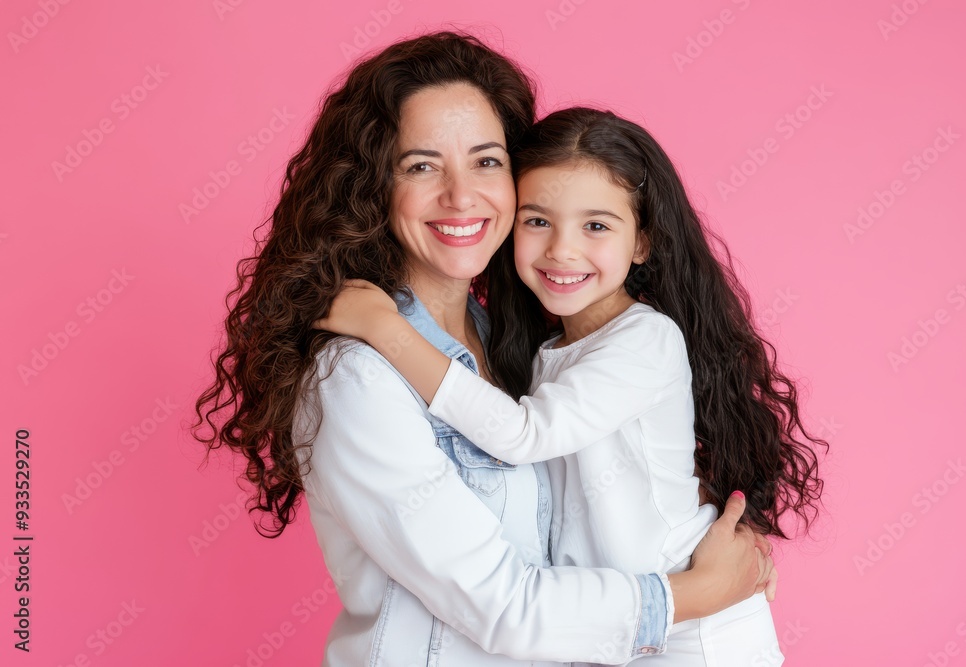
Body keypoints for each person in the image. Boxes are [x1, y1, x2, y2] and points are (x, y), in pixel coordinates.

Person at [194, 32, 775, 666]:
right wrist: (697, 591)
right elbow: (505, 609)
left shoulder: (517, 345)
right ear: (371, 187)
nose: (461, 195)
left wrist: (722, 545)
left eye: (486, 160)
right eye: (421, 165)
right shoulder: (357, 374)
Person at [317, 107, 827, 665]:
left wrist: (387, 330)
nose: (561, 249)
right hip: (624, 630)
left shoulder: (647, 339)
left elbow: (523, 435)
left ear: (642, 243)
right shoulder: (539, 352)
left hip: (695, 633)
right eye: (538, 221)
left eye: (596, 226)